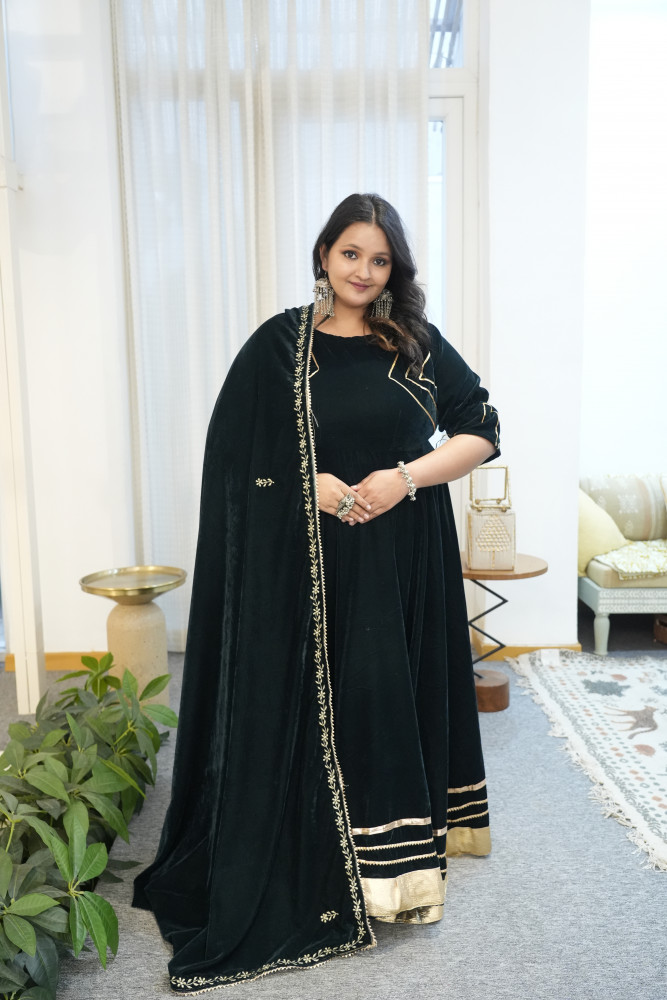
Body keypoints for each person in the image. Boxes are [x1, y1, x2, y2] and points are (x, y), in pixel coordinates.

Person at [133, 193, 500, 994]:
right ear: (323, 255)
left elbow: (480, 430)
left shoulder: (416, 345)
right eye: (350, 255)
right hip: (307, 564)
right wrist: (315, 486)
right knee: (329, 698)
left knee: (383, 693)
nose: (365, 273)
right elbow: (235, 463)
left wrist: (404, 479)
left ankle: (392, 871)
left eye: (380, 261)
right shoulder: (279, 347)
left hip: (402, 553)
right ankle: (320, 852)